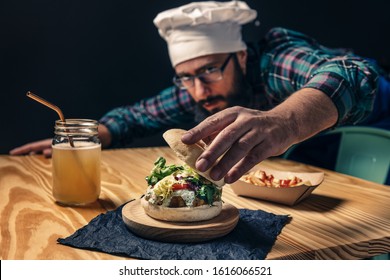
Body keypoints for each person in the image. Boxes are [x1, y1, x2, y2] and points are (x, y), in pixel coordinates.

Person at [10, 1, 390, 184]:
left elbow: (354, 74)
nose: (198, 89)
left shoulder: (275, 61)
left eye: (209, 69)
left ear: (240, 57)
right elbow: (137, 115)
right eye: (185, 77)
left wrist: (284, 120)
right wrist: (88, 137)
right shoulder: (201, 90)